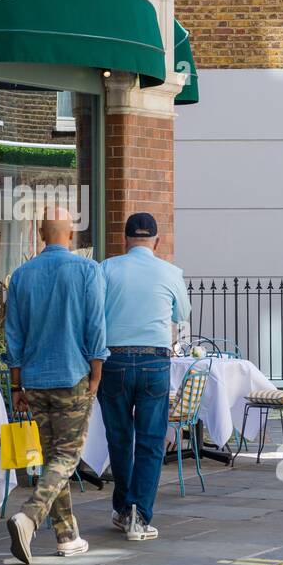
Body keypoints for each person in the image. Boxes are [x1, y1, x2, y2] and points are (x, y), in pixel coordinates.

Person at [3, 207, 109, 564]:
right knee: (68, 455)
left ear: (40, 234)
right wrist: (96, 372)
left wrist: (16, 386)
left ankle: (67, 535)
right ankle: (30, 516)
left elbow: (13, 336)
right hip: (72, 376)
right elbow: (95, 326)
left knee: (53, 458)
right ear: (70, 235)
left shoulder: (21, 275)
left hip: (33, 380)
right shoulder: (87, 270)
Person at [99, 212, 190, 542]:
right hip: (154, 361)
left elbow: (93, 313)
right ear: (157, 241)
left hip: (114, 360)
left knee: (119, 438)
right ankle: (139, 515)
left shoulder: (106, 268)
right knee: (151, 442)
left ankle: (123, 508)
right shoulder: (170, 272)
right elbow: (182, 315)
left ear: (124, 240)